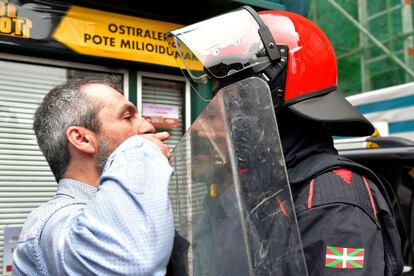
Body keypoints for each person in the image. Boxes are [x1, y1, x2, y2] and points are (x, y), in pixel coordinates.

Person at [167, 6, 404, 275]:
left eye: (232, 99)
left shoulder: (330, 195)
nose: (220, 112)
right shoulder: (256, 186)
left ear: (271, 94)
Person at [12, 76, 174, 275]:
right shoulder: (52, 222)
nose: (149, 127)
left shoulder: (128, 206)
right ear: (82, 139)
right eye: (128, 116)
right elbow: (129, 261)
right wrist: (142, 149)